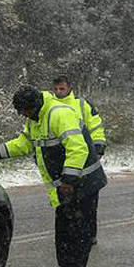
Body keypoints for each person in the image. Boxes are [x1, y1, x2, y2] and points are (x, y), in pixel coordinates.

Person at [0, 85, 106, 267]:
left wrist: (69, 180)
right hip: (66, 185)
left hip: (83, 182)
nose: (24, 115)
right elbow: (25, 143)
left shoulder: (59, 114)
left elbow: (77, 148)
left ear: (35, 105)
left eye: (26, 110)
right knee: (64, 231)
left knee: (79, 231)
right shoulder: (36, 119)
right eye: (21, 112)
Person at [50, 76, 106, 245]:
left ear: (69, 88)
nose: (59, 92)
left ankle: (89, 236)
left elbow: (95, 125)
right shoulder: (50, 106)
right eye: (56, 89)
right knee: (66, 203)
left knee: (88, 202)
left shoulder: (81, 104)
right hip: (62, 161)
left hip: (85, 160)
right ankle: (70, 236)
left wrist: (98, 145)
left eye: (62, 89)